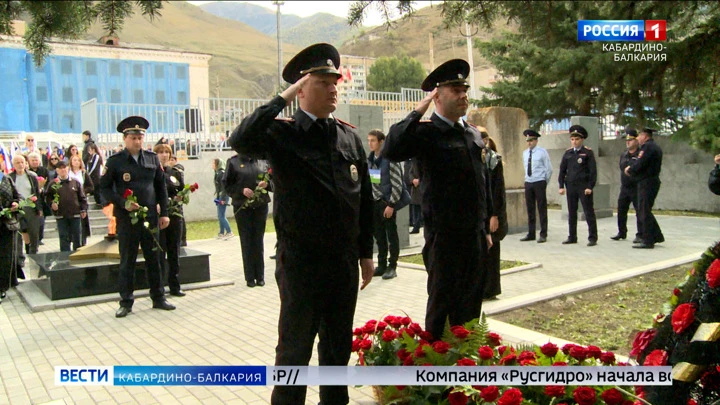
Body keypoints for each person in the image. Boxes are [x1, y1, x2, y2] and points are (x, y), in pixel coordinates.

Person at [229, 43, 374, 405]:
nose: (334, 87)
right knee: (294, 352)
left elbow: (364, 200)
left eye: (335, 81)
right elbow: (239, 139)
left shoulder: (348, 137)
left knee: (337, 351)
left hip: (342, 264)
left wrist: (365, 253)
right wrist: (282, 98)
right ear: (302, 88)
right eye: (323, 81)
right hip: (301, 263)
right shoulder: (283, 134)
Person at [383, 59, 493, 341]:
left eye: (464, 89)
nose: (463, 95)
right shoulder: (425, 132)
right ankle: (436, 372)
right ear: (437, 95)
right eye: (455, 89)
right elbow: (392, 147)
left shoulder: (471, 134)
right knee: (442, 308)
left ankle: (467, 369)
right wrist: (419, 108)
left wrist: (485, 226)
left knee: (471, 308)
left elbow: (481, 183)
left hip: (474, 235)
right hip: (444, 237)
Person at [99, 115, 174, 318]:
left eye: (140, 137)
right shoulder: (115, 162)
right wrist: (123, 203)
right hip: (127, 219)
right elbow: (104, 188)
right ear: (125, 139)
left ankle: (158, 298)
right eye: (133, 137)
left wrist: (164, 213)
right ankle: (126, 302)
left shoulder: (151, 158)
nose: (137, 141)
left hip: (150, 217)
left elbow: (161, 187)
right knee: (127, 260)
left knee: (154, 259)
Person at [222, 153, 270, 287]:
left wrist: (267, 184)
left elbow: (274, 181)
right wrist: (241, 190)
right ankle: (249, 277)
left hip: (260, 205)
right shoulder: (233, 162)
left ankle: (260, 276)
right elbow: (227, 185)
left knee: (258, 240)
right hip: (242, 206)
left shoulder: (263, 160)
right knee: (247, 240)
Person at [368, 129, 407, 280]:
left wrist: (391, 204)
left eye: (373, 140)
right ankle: (382, 264)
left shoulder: (390, 159)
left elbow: (398, 184)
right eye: (369, 140)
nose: (370, 143)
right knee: (379, 236)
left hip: (387, 203)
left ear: (381, 142)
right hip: (375, 203)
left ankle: (393, 266)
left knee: (391, 235)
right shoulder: (371, 159)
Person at [154, 144, 186, 297]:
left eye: (167, 152)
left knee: (174, 251)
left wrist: (181, 197)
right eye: (160, 152)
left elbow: (181, 191)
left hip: (175, 215)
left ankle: (175, 285)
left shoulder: (175, 172)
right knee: (160, 252)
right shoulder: (152, 172)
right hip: (158, 217)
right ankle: (159, 287)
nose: (164, 155)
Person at [558, 125, 598, 246]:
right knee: (572, 212)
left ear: (582, 140)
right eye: (572, 139)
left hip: (584, 186)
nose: (574, 142)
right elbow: (562, 170)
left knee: (588, 212)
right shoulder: (568, 153)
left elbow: (593, 172)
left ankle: (592, 237)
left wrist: (590, 187)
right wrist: (561, 185)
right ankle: (572, 236)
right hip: (571, 186)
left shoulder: (587, 153)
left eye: (577, 139)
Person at [625, 127, 664, 249]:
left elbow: (641, 163)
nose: (638, 138)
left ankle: (648, 240)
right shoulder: (654, 147)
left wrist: (630, 169)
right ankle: (657, 235)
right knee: (645, 209)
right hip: (650, 181)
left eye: (639, 136)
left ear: (645, 136)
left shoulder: (647, 148)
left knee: (643, 210)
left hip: (647, 182)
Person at [480, 128, 507, 300]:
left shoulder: (494, 161)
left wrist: (494, 215)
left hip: (492, 214)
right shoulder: (476, 159)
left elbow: (498, 192)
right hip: (480, 213)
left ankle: (491, 289)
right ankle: (480, 288)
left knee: (492, 252)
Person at [45, 160, 87, 252]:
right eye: (60, 169)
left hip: (75, 214)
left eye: (64, 168)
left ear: (68, 169)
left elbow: (82, 197)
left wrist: (83, 209)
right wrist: (52, 204)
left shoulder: (75, 182)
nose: (63, 170)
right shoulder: (53, 184)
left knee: (77, 237)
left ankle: (77, 255)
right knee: (64, 237)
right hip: (61, 215)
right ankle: (64, 257)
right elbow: (47, 198)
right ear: (57, 171)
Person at [521, 129, 552, 243]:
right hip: (529, 182)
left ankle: (543, 233)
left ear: (536, 141)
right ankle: (531, 233)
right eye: (528, 140)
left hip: (539, 181)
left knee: (541, 208)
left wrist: (544, 182)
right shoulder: (525, 153)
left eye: (531, 140)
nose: (529, 143)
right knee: (530, 209)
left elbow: (549, 169)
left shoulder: (542, 152)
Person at [612, 128, 642, 242]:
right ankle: (622, 232)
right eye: (626, 140)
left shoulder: (640, 154)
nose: (628, 142)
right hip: (625, 187)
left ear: (636, 141)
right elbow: (621, 167)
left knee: (639, 211)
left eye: (631, 140)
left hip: (636, 186)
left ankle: (640, 233)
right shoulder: (624, 154)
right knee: (621, 210)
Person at [10, 155, 42, 254]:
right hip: (17, 208)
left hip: (31, 207)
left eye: (22, 162)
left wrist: (39, 208)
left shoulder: (32, 176)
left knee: (34, 233)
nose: (20, 165)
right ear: (13, 165)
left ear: (26, 163)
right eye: (17, 163)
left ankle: (33, 254)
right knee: (19, 234)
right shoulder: (10, 177)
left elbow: (37, 193)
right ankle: (20, 256)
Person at [0, 158, 22, 304]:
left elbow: (18, 196)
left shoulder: (6, 179)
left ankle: (2, 286)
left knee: (6, 257)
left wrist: (16, 203)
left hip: (7, 225)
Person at [69, 155, 93, 246]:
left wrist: (82, 191)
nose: (76, 162)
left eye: (78, 160)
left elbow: (91, 187)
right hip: (70, 201)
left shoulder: (83, 173)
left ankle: (83, 241)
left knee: (82, 222)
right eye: (74, 160)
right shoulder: (68, 173)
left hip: (81, 200)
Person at [27, 152, 50, 245]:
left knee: (41, 220)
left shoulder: (44, 170)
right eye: (32, 160)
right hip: (30, 198)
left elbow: (48, 182)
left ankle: (39, 238)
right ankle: (32, 239)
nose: (35, 162)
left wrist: (42, 188)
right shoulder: (27, 171)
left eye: (36, 160)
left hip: (41, 198)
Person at [212, 158, 233, 239]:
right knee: (220, 215)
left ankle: (229, 231)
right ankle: (221, 232)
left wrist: (223, 199)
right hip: (219, 196)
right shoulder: (217, 173)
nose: (212, 165)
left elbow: (224, 187)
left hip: (223, 196)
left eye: (213, 163)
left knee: (221, 215)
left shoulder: (221, 173)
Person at [170, 156, 188, 247]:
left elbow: (181, 185)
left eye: (172, 160)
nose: (170, 161)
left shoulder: (177, 170)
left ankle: (183, 238)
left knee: (180, 218)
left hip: (177, 197)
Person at [403, 158, 423, 234]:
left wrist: (419, 180)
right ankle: (415, 224)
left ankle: (417, 224)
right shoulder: (412, 162)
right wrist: (412, 180)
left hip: (421, 187)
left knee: (420, 207)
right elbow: (410, 173)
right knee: (415, 206)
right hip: (414, 188)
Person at [85, 143, 104, 207]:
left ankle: (100, 202)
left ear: (93, 150)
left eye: (90, 150)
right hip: (91, 177)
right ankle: (98, 202)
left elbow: (94, 166)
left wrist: (88, 173)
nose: (89, 152)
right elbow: (88, 166)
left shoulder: (96, 156)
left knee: (97, 190)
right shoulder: (90, 157)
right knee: (95, 190)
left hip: (96, 176)